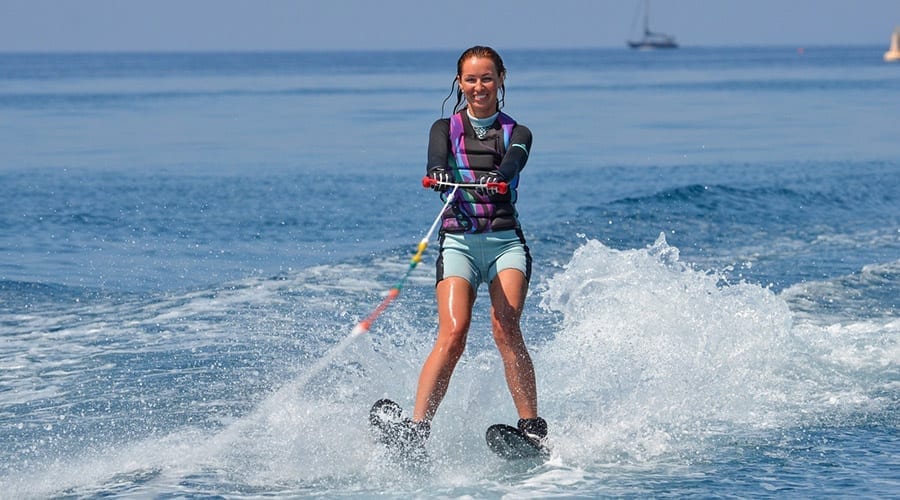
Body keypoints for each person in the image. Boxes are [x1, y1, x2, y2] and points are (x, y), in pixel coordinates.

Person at [404, 46, 547, 450]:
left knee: (505, 325)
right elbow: (437, 158)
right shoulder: (443, 128)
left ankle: (532, 428)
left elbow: (514, 160)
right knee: (454, 334)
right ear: (459, 83)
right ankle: (416, 431)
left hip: (505, 244)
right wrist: (437, 173)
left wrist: (500, 177)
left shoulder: (517, 132)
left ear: (501, 79)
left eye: (487, 78)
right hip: (459, 245)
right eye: (470, 79)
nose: (478, 87)